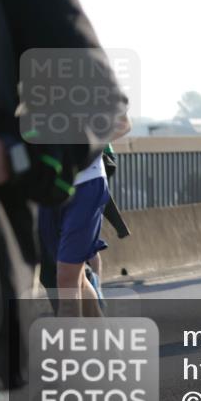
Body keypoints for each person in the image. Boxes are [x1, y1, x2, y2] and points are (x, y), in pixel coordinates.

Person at [0, 0, 127, 393]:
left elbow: (102, 99)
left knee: (67, 274)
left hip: (76, 184)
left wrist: (15, 155)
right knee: (66, 277)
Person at [38, 115, 132, 317]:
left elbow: (122, 122)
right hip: (45, 187)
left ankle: (73, 346)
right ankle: (106, 346)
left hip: (86, 182)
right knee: (69, 276)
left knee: (65, 278)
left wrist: (81, 148)